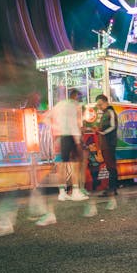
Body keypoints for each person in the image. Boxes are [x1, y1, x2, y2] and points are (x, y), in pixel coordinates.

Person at [35, 89, 89, 228]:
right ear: (75, 96)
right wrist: (78, 141)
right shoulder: (74, 106)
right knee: (75, 165)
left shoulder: (58, 105)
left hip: (60, 136)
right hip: (70, 136)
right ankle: (76, 191)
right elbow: (74, 125)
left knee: (61, 164)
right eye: (79, 97)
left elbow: (45, 117)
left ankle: (62, 192)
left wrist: (56, 127)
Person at [95, 94, 119, 209]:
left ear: (105, 102)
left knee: (111, 165)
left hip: (109, 142)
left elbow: (113, 126)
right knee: (109, 165)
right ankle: (112, 188)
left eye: (100, 104)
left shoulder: (110, 112)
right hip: (105, 143)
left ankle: (113, 188)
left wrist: (102, 132)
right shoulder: (105, 113)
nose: (99, 107)